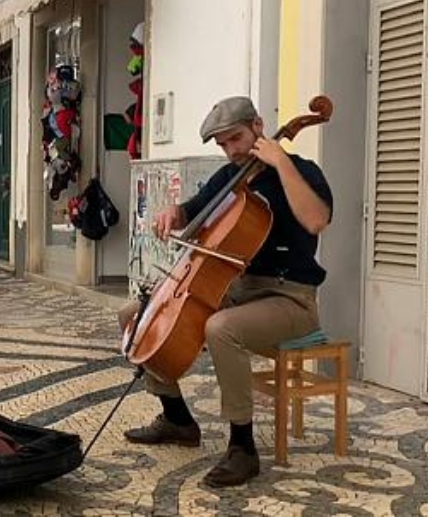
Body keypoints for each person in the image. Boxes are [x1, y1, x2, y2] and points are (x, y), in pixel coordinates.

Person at [116, 96, 333, 488]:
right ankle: (177, 419)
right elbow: (192, 210)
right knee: (135, 314)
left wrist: (281, 162)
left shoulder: (302, 171)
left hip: (291, 298)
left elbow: (316, 220)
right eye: (223, 144)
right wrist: (175, 213)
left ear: (258, 126)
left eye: (236, 138)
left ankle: (243, 447)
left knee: (221, 328)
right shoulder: (229, 178)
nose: (231, 150)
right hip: (241, 290)